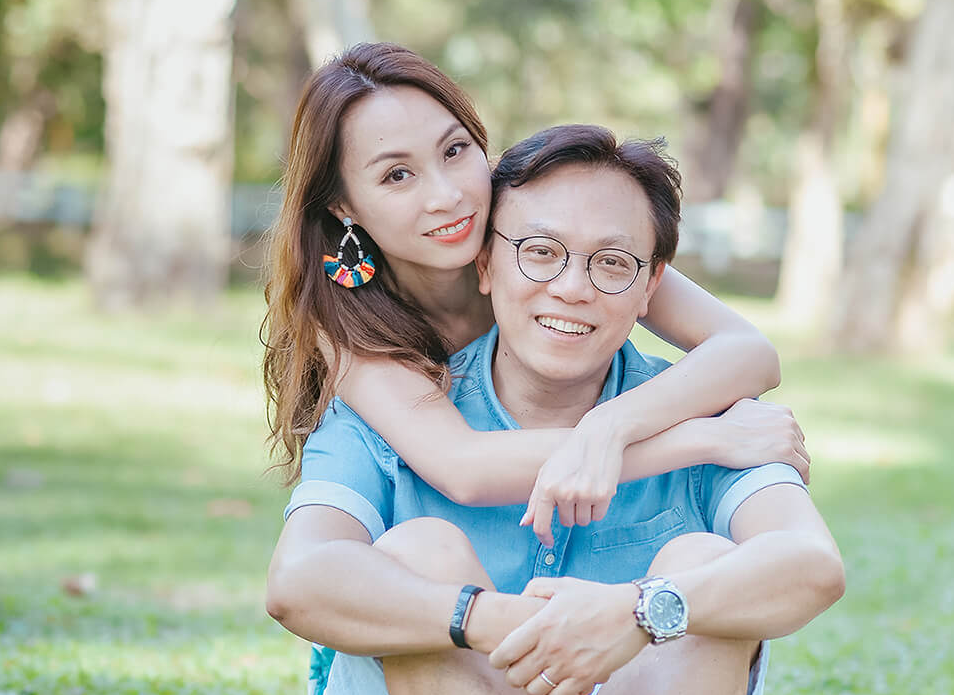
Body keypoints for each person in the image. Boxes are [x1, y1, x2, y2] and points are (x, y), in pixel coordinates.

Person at [266, 121, 846, 695]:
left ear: (653, 288)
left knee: (700, 568)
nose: (571, 288)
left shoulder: (709, 410)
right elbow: (298, 586)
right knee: (415, 561)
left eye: (612, 265)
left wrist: (644, 611)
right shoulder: (398, 401)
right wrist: (484, 621)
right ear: (486, 263)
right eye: (540, 252)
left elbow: (810, 567)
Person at [263, 42, 808, 550]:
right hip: (416, 588)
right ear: (344, 206)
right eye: (398, 175)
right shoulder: (341, 319)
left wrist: (610, 424)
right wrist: (704, 441)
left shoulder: (537, 228)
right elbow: (464, 468)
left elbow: (748, 352)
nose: (448, 195)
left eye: (455, 150)